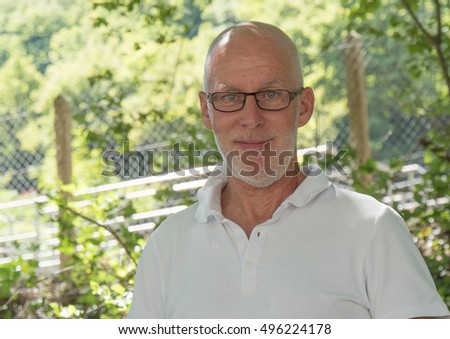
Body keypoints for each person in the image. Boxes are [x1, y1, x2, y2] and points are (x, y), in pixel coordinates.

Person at [127, 21, 449, 318]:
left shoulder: (373, 229)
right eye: (229, 96)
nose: (251, 117)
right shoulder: (166, 247)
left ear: (304, 106)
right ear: (206, 111)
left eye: (271, 95)